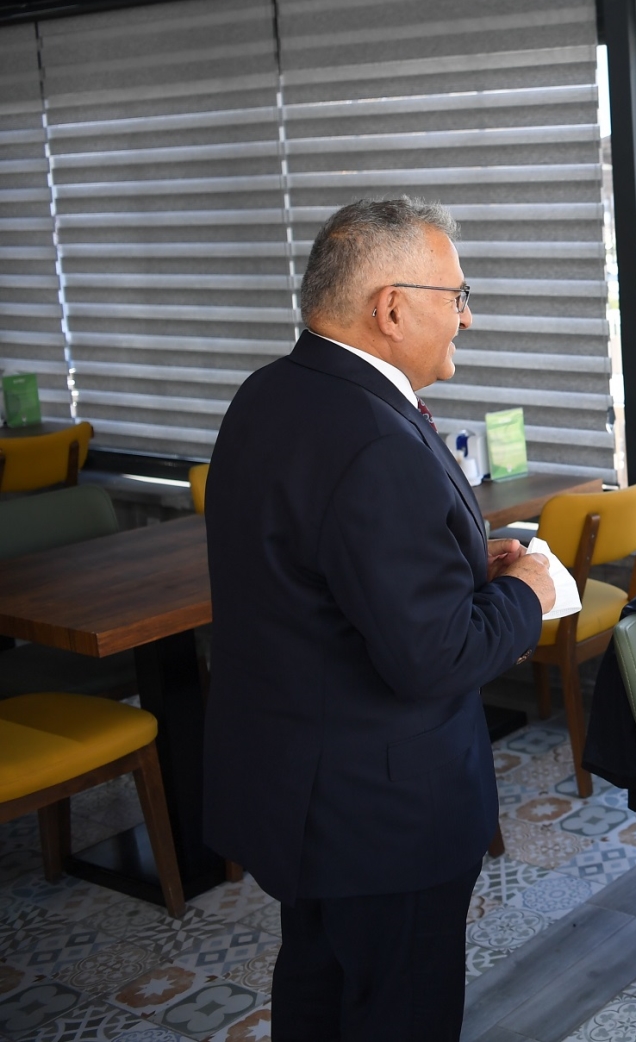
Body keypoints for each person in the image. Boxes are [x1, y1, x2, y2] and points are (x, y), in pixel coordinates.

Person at [204, 198, 556, 1042]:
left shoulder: (269, 393)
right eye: (457, 294)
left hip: (298, 791)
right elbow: (436, 657)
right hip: (382, 811)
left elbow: (315, 565)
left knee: (320, 992)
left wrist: (465, 563)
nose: (467, 315)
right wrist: (530, 595)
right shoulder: (374, 439)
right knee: (398, 1009)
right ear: (391, 308)